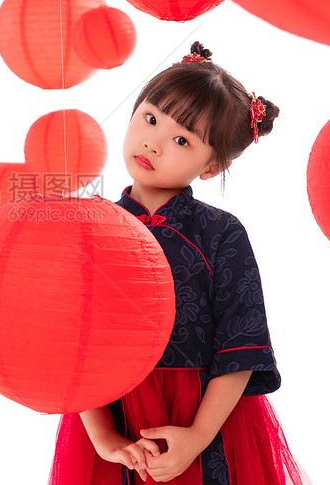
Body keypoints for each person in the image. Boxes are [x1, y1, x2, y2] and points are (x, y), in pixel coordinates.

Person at [48, 42, 309, 485]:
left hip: (204, 416)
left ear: (211, 167)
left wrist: (197, 436)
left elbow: (240, 346)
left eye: (182, 140)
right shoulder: (90, 228)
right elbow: (75, 340)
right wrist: (103, 436)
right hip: (112, 414)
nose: (153, 141)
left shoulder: (221, 234)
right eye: (150, 118)